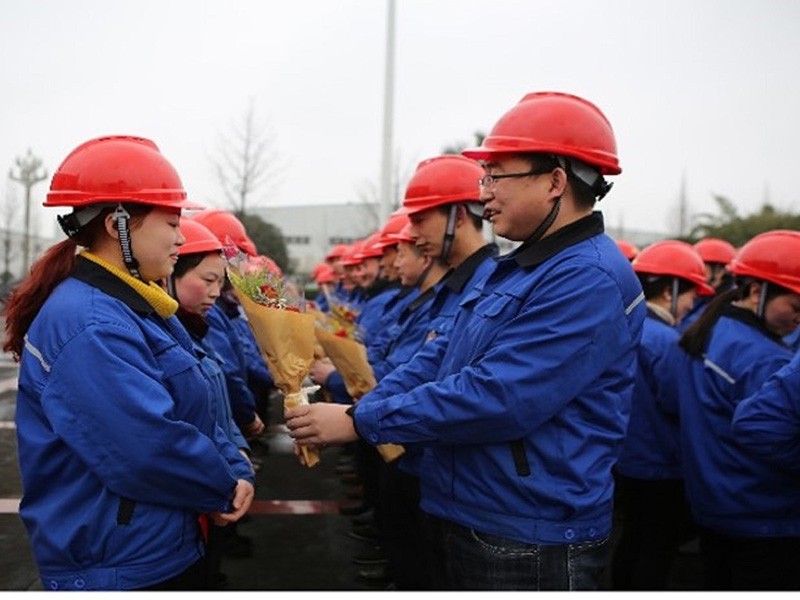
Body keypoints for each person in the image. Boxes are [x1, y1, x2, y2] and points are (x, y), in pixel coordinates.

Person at [286, 91, 645, 590]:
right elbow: (440, 354)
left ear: (556, 182)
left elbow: (501, 396)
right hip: (474, 507)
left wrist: (361, 419)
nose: (485, 194)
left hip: (527, 532)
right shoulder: (519, 268)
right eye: (484, 177)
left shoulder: (587, 278)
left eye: (497, 176)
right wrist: (364, 408)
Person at [4, 136, 255, 591]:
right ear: (117, 222)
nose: (181, 237)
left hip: (150, 544)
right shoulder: (91, 321)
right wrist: (223, 484)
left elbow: (194, 406)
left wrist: (232, 469)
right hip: (120, 562)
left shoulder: (137, 307)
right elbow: (144, 448)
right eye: (172, 221)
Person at [668, 229, 800, 590]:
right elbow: (770, 433)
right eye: (796, 307)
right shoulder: (763, 358)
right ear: (757, 292)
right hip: (761, 511)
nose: (798, 319)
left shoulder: (715, 325)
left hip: (716, 501)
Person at [611, 240, 714, 590]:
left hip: (626, 458)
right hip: (661, 464)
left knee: (631, 540)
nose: (691, 305)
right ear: (669, 292)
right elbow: (677, 403)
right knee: (655, 550)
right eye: (690, 295)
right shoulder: (666, 342)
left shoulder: (622, 327)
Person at [168, 218, 254, 589]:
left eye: (222, 281)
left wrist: (237, 451)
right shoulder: (149, 330)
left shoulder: (191, 325)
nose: (217, 292)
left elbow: (212, 409)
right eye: (208, 280)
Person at [677, 237, 736, 332]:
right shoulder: (697, 295)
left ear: (720, 271)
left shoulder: (729, 303)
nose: (697, 270)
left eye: (702, 265)